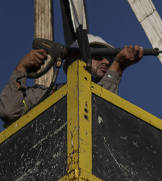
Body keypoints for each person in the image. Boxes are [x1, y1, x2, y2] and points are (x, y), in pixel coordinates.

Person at [0, 34, 143, 127]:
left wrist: (117, 68)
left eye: (110, 59)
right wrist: (21, 69)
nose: (106, 61)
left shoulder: (105, 91)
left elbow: (97, 114)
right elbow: (9, 111)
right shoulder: (43, 95)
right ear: (74, 59)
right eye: (98, 56)